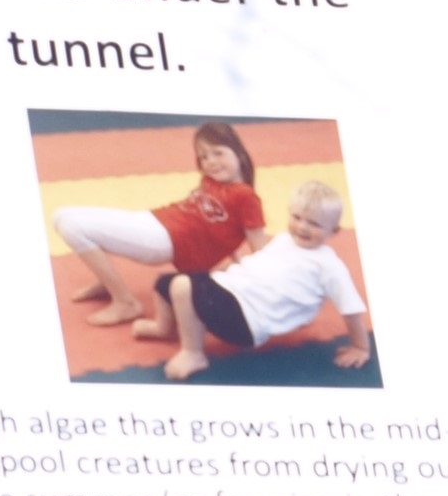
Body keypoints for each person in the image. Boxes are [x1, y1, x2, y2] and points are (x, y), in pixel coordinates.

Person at [51, 121, 268, 337]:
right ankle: (106, 280)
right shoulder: (212, 181)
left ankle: (126, 303)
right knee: (61, 214)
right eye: (203, 156)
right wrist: (232, 253)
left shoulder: (245, 196)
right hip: (155, 220)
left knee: (72, 227)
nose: (210, 162)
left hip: (164, 240)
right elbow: (224, 227)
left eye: (218, 153)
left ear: (238, 153)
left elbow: (258, 247)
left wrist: (251, 281)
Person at [162, 179, 372, 380]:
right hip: (233, 291)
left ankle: (193, 353)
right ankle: (163, 327)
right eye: (297, 217)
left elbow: (351, 309)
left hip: (247, 319)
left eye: (314, 224)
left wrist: (360, 346)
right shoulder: (283, 239)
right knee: (167, 282)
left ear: (333, 231)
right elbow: (263, 266)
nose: (302, 227)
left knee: (182, 286)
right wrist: (229, 269)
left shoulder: (329, 265)